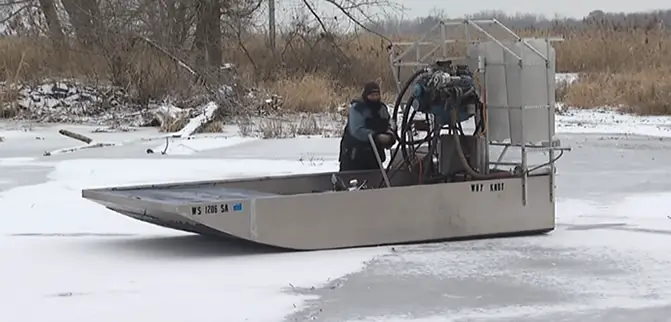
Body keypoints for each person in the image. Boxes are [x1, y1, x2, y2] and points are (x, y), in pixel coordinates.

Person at [339, 81, 396, 172]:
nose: (374, 98)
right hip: (354, 156)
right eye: (372, 95)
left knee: (375, 179)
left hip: (374, 156)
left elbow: (390, 122)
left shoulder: (382, 109)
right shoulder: (357, 108)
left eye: (377, 95)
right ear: (366, 95)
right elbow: (357, 130)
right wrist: (376, 136)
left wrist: (390, 134)